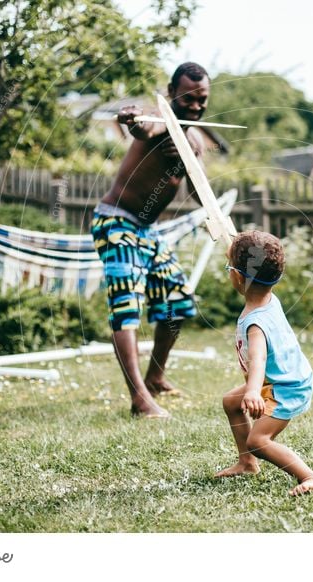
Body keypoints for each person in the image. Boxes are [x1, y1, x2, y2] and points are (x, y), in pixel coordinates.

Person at [91, 62, 210, 418]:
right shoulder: (161, 120)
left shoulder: (194, 139)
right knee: (127, 306)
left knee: (177, 301)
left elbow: (199, 191)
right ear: (172, 92)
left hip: (148, 232)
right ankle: (139, 399)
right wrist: (131, 119)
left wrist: (191, 164)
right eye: (188, 98)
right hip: (117, 223)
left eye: (201, 99)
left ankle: (155, 376)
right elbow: (144, 128)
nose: (194, 106)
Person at [216, 231, 313, 495]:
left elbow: (258, 359)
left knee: (258, 440)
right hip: (282, 378)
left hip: (284, 387)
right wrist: (237, 251)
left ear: (239, 277)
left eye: (228, 267)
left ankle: (311, 477)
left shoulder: (256, 323)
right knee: (231, 402)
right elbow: (251, 260)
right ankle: (247, 463)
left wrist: (253, 391)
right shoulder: (266, 297)